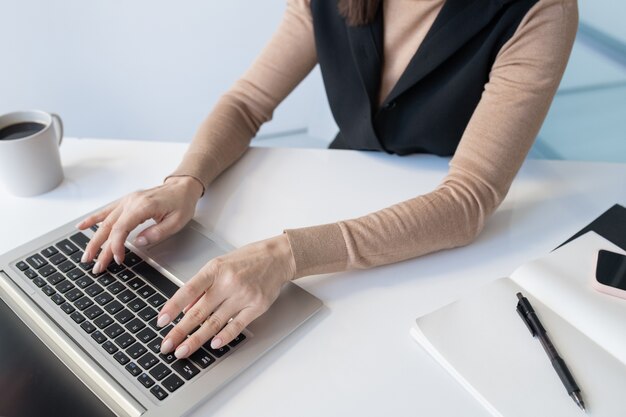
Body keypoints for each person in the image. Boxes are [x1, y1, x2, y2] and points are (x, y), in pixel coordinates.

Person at [77, 0, 578, 359]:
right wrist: (184, 180)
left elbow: (469, 200)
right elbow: (247, 102)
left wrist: (287, 255)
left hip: (438, 247)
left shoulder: (543, 10)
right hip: (344, 196)